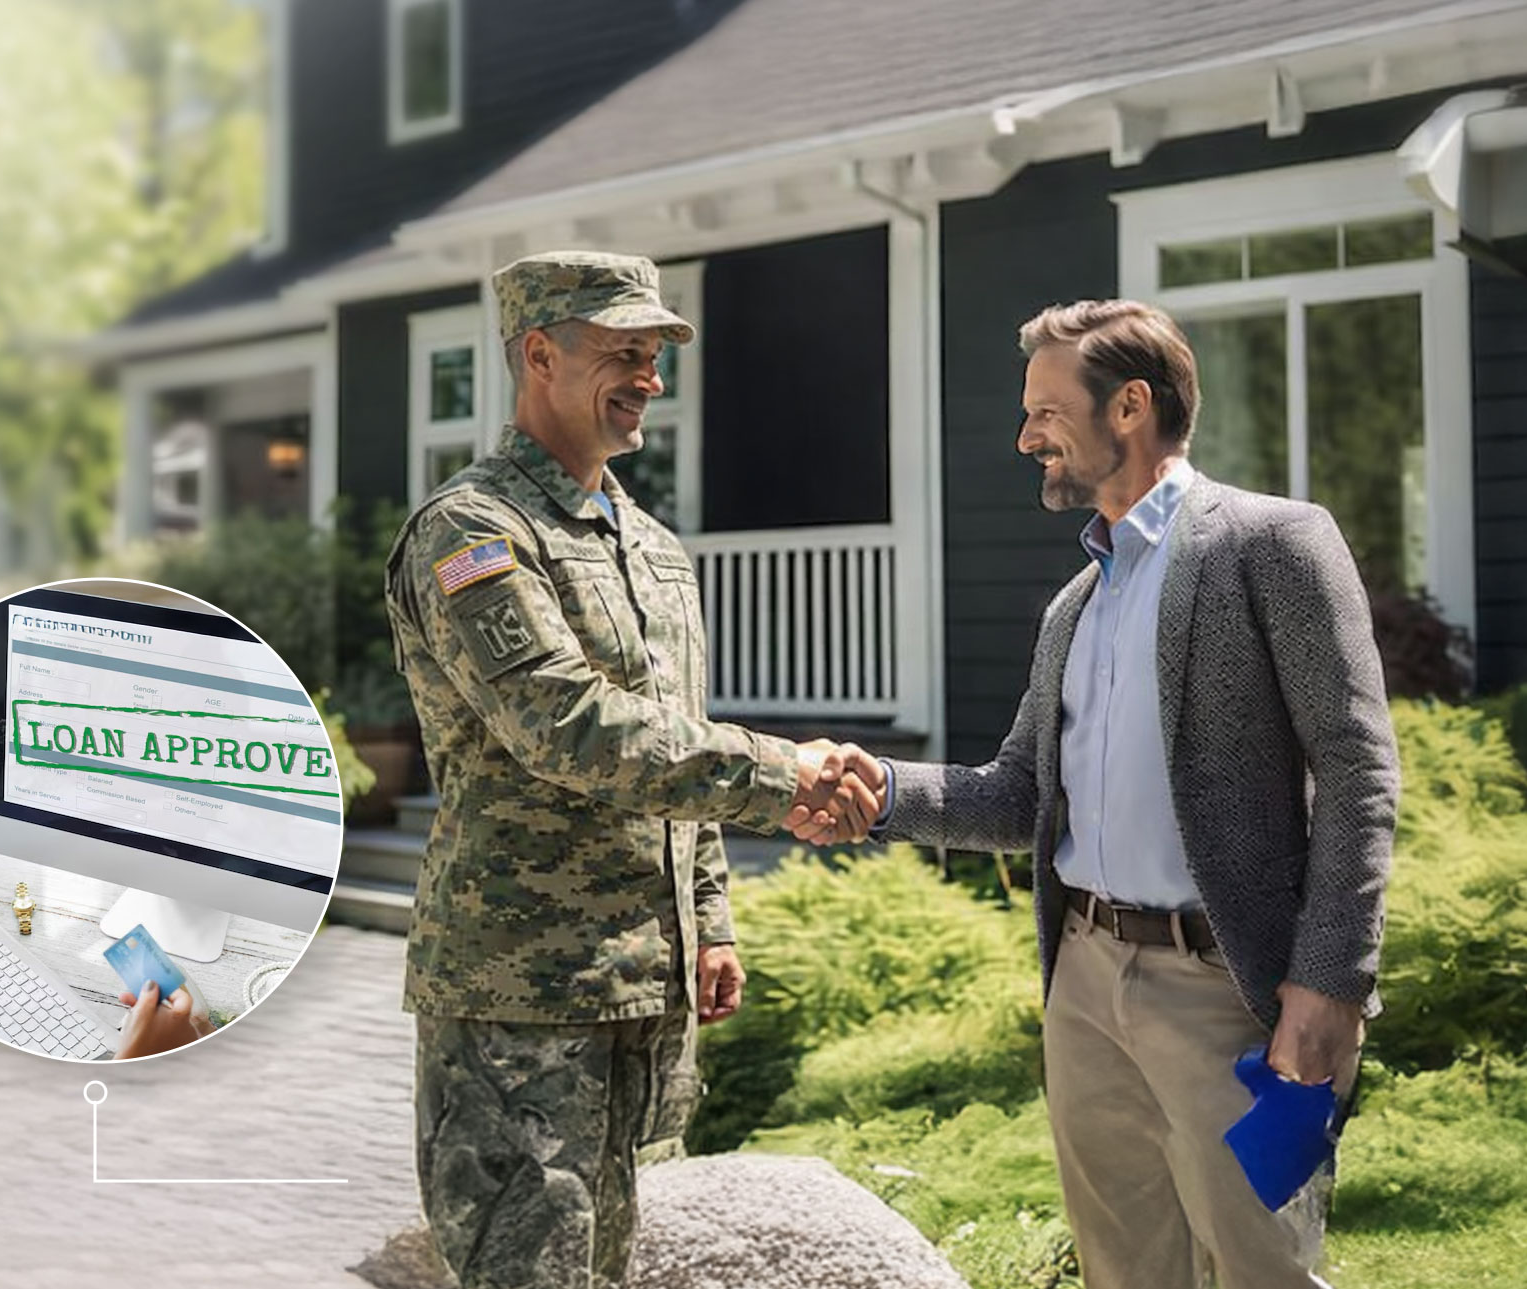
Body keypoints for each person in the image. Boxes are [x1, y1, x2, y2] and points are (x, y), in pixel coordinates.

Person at [790, 299, 1398, 1289]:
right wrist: (881, 788)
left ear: (1126, 407)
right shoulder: (1077, 600)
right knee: (1123, 1271)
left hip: (1222, 990)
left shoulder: (1271, 544)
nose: (1026, 434)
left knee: (1261, 1268)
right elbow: (1019, 792)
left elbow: (1358, 765)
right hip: (1082, 981)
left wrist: (1330, 982)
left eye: (1045, 409)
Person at [384, 250, 879, 1289]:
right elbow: (565, 721)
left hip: (641, 986)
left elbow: (671, 737)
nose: (649, 378)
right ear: (537, 355)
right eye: (622, 353)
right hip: (522, 995)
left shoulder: (651, 548)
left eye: (654, 356)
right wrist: (785, 772)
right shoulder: (473, 533)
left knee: (617, 1269)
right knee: (527, 1270)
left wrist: (710, 917)